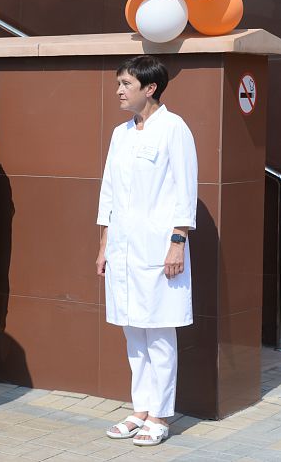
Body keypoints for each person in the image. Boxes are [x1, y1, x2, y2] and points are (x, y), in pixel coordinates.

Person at [96, 55, 197, 447]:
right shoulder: (121, 133)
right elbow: (108, 191)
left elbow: (185, 192)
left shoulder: (174, 129)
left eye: (126, 84)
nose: (119, 91)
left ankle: (160, 413)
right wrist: (104, 243)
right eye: (118, 84)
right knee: (132, 330)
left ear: (149, 88)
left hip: (159, 249)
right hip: (122, 247)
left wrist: (177, 244)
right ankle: (140, 407)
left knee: (158, 331)